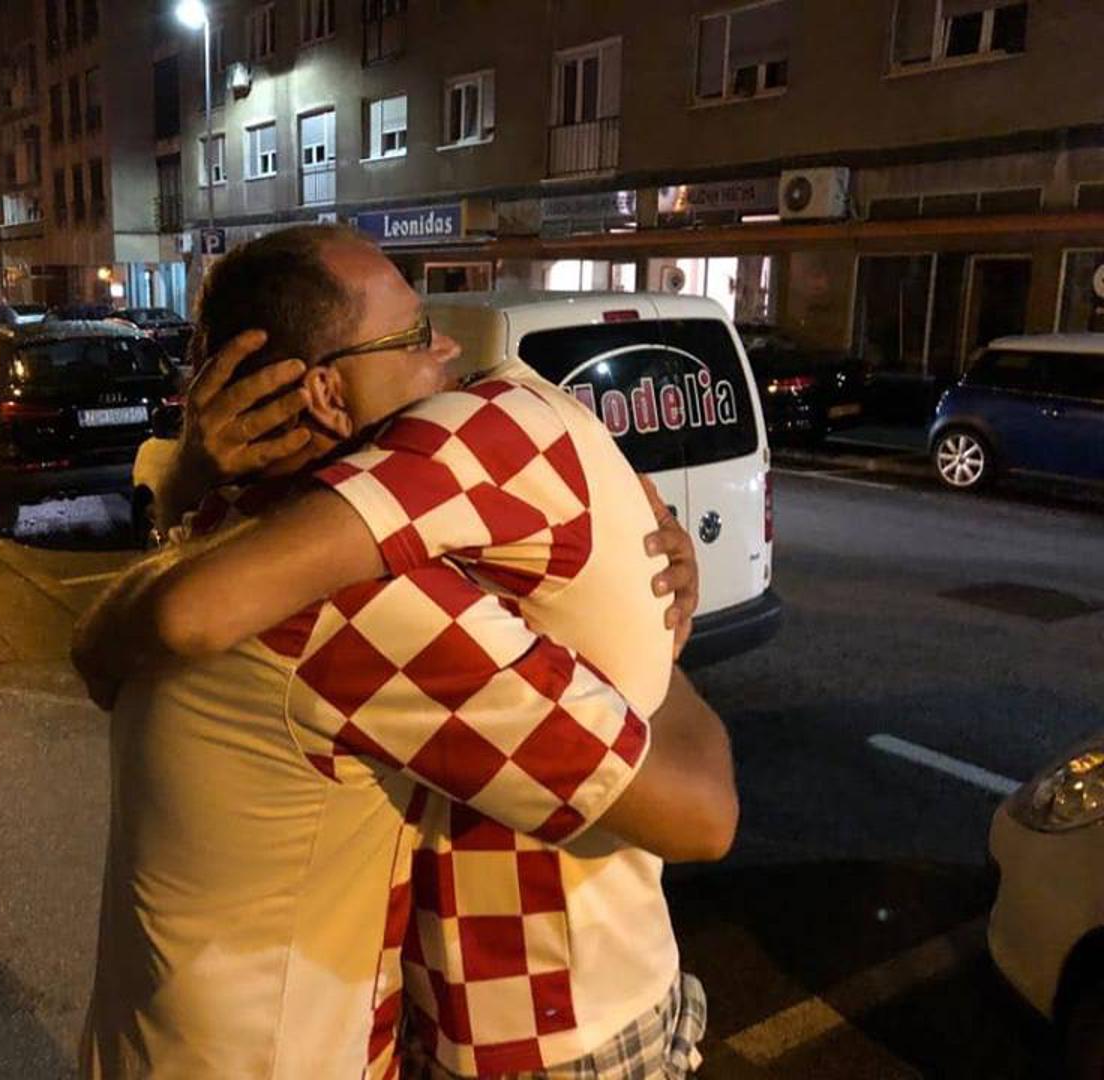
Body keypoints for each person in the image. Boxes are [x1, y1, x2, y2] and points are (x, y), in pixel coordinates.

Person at [73, 226, 734, 1079]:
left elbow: (103, 646)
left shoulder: (219, 527)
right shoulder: (361, 608)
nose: (449, 351)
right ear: (325, 391)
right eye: (416, 336)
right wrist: (656, 640)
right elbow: (703, 817)